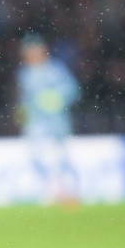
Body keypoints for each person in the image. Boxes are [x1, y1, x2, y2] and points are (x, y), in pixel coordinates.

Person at [16, 32, 80, 204]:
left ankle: (68, 189)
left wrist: (58, 97)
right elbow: (25, 98)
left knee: (61, 157)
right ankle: (50, 189)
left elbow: (73, 89)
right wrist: (23, 110)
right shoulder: (24, 73)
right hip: (35, 124)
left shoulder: (55, 69)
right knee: (37, 156)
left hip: (57, 123)